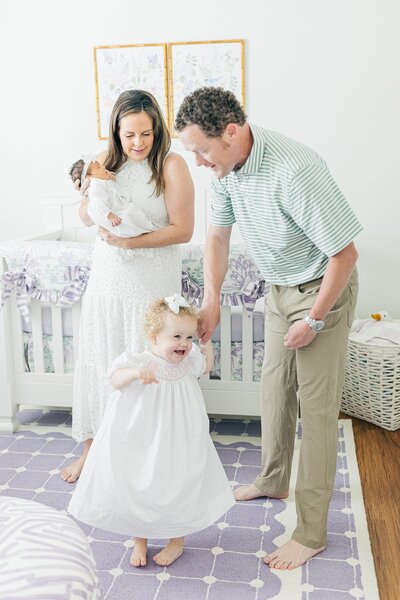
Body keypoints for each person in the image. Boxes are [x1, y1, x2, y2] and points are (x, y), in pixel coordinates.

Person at [175, 86, 362, 570]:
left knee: (316, 411)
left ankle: (311, 532)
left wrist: (316, 319)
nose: (196, 160)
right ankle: (274, 478)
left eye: (200, 148)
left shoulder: (294, 170)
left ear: (231, 132)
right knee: (275, 387)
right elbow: (216, 237)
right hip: (279, 288)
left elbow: (345, 255)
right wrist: (212, 301)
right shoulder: (224, 169)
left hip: (323, 287)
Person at [61, 89, 194, 484]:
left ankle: (142, 454)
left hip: (150, 284)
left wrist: (130, 241)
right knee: (102, 358)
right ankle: (92, 451)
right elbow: (86, 216)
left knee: (144, 363)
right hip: (108, 279)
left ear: (158, 130)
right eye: (129, 135)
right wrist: (88, 195)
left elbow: (183, 230)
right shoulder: (104, 161)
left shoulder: (171, 166)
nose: (137, 143)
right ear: (116, 133)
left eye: (146, 134)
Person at [68, 295, 235, 567]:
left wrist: (205, 346)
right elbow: (115, 380)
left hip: (180, 435)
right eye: (177, 336)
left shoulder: (189, 360)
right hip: (144, 436)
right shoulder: (138, 360)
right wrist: (135, 374)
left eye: (188, 337)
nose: (184, 343)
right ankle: (140, 541)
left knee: (178, 482)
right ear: (154, 337)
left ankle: (176, 540)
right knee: (142, 482)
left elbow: (205, 366)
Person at [68, 157, 157, 238]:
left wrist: (107, 175)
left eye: (100, 165)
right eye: (99, 168)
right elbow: (99, 204)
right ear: (89, 177)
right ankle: (143, 230)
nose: (103, 168)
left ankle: (145, 229)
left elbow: (109, 182)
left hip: (117, 205)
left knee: (132, 214)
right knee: (128, 216)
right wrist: (109, 215)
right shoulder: (96, 186)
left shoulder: (101, 179)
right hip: (110, 212)